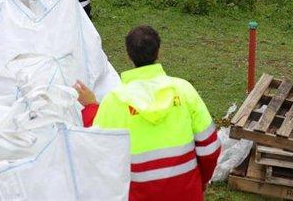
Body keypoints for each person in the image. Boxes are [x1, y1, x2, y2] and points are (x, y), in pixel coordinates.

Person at [75, 25, 221, 201]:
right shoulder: (183, 90)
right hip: (186, 193)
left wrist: (91, 106)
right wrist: (200, 183)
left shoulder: (116, 100)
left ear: (128, 56)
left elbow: (99, 145)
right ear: (159, 52)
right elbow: (210, 149)